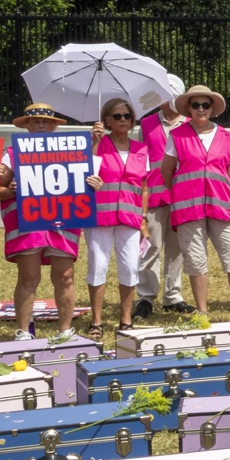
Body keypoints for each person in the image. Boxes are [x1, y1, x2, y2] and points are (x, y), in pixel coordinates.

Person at [155, 84, 230, 323]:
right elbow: (166, 172)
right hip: (188, 208)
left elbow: (226, 171)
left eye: (205, 105)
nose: (200, 109)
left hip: (220, 205)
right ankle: (202, 312)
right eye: (195, 105)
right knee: (196, 260)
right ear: (189, 109)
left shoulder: (226, 137)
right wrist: (182, 193)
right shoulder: (177, 136)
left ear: (213, 108)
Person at [0, 102, 85, 342]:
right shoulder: (12, 153)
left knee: (65, 275)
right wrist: (9, 189)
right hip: (28, 222)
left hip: (62, 220)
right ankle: (23, 332)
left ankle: (65, 331)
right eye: (35, 121)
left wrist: (93, 182)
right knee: (28, 277)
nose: (41, 125)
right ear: (26, 125)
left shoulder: (72, 151)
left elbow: (84, 183)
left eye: (46, 121)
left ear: (54, 126)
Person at [84, 96, 149, 333]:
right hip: (100, 215)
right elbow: (86, 171)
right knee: (98, 266)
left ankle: (125, 319)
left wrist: (143, 218)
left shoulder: (142, 149)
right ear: (107, 120)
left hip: (130, 218)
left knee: (130, 267)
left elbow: (143, 187)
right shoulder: (97, 144)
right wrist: (94, 142)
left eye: (127, 116)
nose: (123, 120)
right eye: (117, 116)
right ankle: (97, 321)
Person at [132, 74, 188, 318]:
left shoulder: (190, 122)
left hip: (182, 193)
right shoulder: (147, 124)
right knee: (150, 244)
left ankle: (173, 295)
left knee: (177, 247)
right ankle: (146, 296)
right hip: (154, 193)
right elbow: (140, 158)